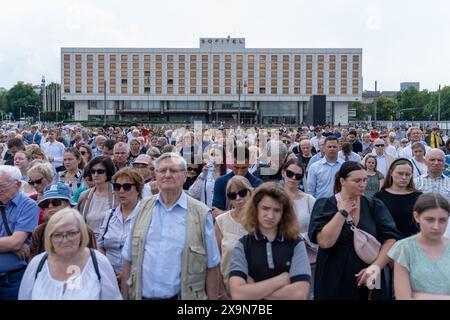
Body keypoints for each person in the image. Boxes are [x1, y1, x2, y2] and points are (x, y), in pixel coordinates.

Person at [121, 152, 220, 300]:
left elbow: (212, 266)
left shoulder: (201, 213)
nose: (167, 175)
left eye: (173, 171)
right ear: (155, 175)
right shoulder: (142, 208)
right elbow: (128, 260)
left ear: (185, 175)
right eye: (162, 170)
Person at [308, 161, 402, 300]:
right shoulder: (326, 205)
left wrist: (376, 267)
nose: (362, 184)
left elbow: (390, 239)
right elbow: (325, 242)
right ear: (342, 181)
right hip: (334, 278)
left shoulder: (374, 205)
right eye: (357, 180)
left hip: (369, 276)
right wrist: (342, 213)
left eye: (364, 180)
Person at [229, 182, 311, 300]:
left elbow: (299, 294)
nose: (270, 215)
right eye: (265, 208)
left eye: (277, 210)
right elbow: (238, 294)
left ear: (284, 214)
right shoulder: (243, 245)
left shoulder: (296, 243)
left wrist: (253, 288)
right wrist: (280, 280)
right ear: (255, 208)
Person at [18, 208, 122, 300]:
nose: (65, 240)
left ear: (82, 234)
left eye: (72, 233)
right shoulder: (37, 264)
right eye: (58, 235)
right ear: (49, 237)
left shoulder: (99, 262)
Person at [388, 193, 450, 299]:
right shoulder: (404, 249)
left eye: (442, 220)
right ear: (416, 217)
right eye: (429, 219)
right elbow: (403, 297)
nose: (436, 226)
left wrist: (418, 296)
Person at [97, 168, 143, 285]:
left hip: (136, 278)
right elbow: (100, 245)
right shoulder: (109, 215)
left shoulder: (146, 215)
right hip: (109, 277)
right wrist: (106, 269)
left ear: (138, 190)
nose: (121, 191)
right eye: (117, 187)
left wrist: (128, 272)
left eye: (126, 187)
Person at [0, 165, 39, 300]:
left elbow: (16, 242)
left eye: (1, 186)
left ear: (17, 185)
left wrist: (14, 244)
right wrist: (10, 245)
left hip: (12, 280)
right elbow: (14, 243)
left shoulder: (28, 205)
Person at [29, 183, 97, 260]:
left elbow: (93, 262)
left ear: (68, 204)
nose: (50, 206)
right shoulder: (39, 232)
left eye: (56, 202)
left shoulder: (85, 231)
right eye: (46, 203)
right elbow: (34, 264)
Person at [214, 176, 251, 299]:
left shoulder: (260, 221)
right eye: (232, 195)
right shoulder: (221, 221)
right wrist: (221, 292)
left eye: (242, 193)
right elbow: (215, 261)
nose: (238, 198)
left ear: (250, 192)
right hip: (227, 288)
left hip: (256, 289)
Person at [374, 158, 422, 238]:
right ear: (391, 173)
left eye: (407, 174)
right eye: (400, 173)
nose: (404, 177)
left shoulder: (418, 197)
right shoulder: (379, 196)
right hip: (387, 244)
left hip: (412, 242)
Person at [212, 146, 263, 216]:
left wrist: (225, 213)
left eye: (243, 168)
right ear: (232, 163)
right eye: (236, 167)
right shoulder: (220, 182)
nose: (239, 172)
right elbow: (215, 212)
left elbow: (258, 214)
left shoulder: (258, 184)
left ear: (249, 164)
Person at [77, 156, 117, 237]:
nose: (95, 174)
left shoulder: (118, 194)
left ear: (108, 172)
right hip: (88, 241)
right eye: (93, 171)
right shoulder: (84, 195)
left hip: (110, 242)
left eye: (100, 171)